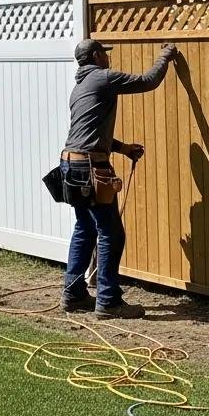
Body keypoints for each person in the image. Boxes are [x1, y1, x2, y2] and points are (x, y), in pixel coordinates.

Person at [60, 38, 178, 319]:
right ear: (98, 55)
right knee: (111, 233)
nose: (108, 58)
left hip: (70, 164)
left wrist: (122, 148)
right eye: (105, 54)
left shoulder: (80, 87)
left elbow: (89, 132)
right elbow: (148, 81)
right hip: (91, 168)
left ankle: (74, 294)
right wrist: (166, 55)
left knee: (85, 228)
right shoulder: (103, 78)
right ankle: (109, 301)